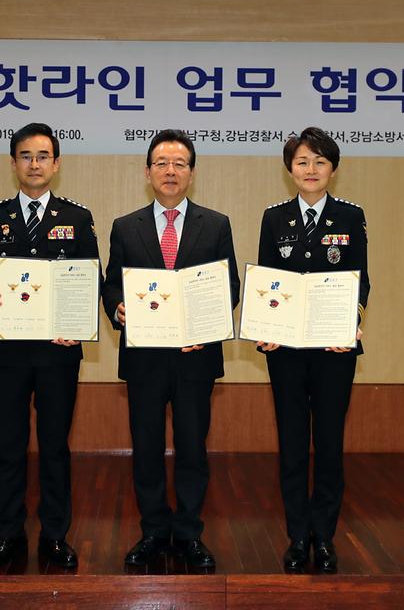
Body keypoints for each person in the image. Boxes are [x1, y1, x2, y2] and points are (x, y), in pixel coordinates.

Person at [102, 129, 240, 570]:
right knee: (145, 449)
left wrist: (210, 322)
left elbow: (229, 287)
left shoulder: (215, 225)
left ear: (192, 173)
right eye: (161, 163)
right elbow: (111, 286)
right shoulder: (125, 227)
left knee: (192, 449)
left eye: (179, 163)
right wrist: (118, 308)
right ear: (147, 172)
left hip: (194, 358)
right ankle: (154, 532)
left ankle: (189, 534)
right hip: (144, 358)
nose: (170, 171)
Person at [0, 122, 99, 570]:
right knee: (9, 445)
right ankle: (8, 534)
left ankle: (55, 535)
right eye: (26, 156)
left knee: (55, 446)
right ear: (13, 163)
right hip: (6, 353)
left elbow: (90, 280)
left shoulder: (78, 218)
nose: (35, 164)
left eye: (43, 156)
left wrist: (77, 323)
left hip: (58, 352)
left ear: (56, 164)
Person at [256, 127, 369, 574]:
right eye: (302, 162)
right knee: (291, 444)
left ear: (333, 169)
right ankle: (296, 535)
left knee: (328, 443)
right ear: (290, 169)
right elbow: (268, 281)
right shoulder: (274, 217)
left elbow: (361, 278)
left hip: (333, 349)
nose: (310, 170)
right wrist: (265, 326)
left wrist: (352, 319)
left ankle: (323, 536)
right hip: (284, 350)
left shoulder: (351, 216)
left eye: (320, 162)